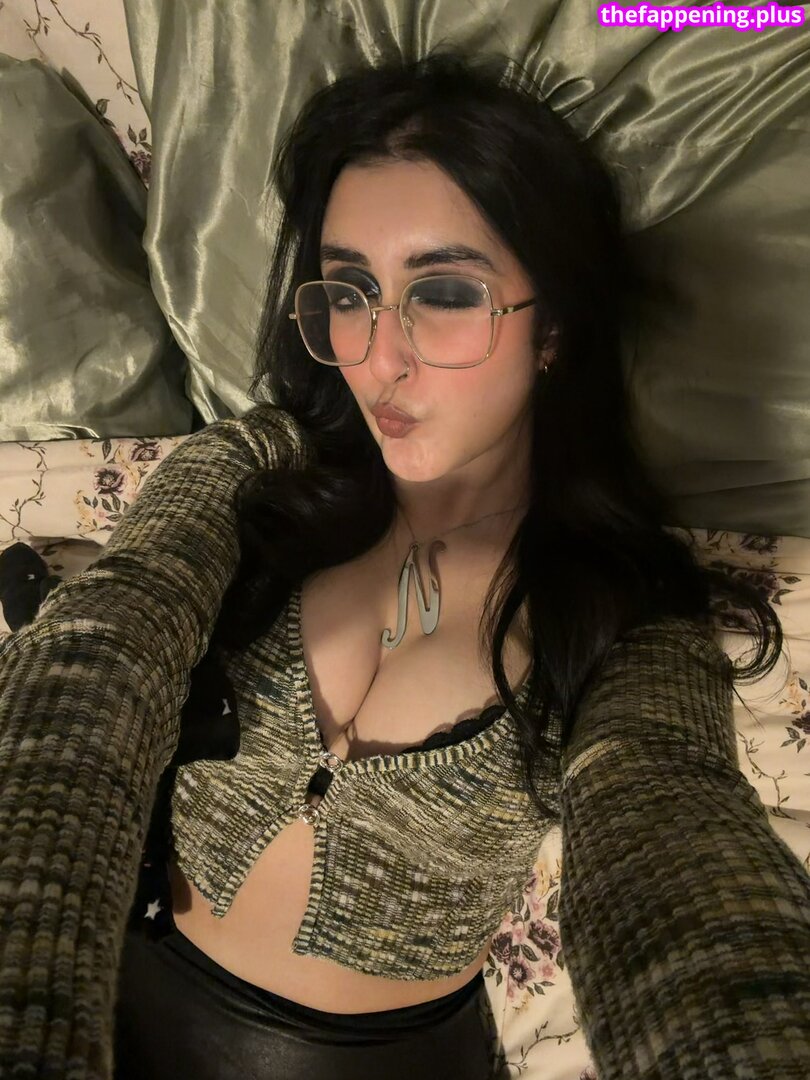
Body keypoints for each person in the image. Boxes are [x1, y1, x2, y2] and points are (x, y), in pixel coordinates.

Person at [0, 49, 808, 1080]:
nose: (380, 357)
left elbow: (671, 834)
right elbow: (105, 649)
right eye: (350, 290)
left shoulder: (627, 612)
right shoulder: (255, 471)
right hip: (106, 993)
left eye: (446, 291)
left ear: (553, 326)